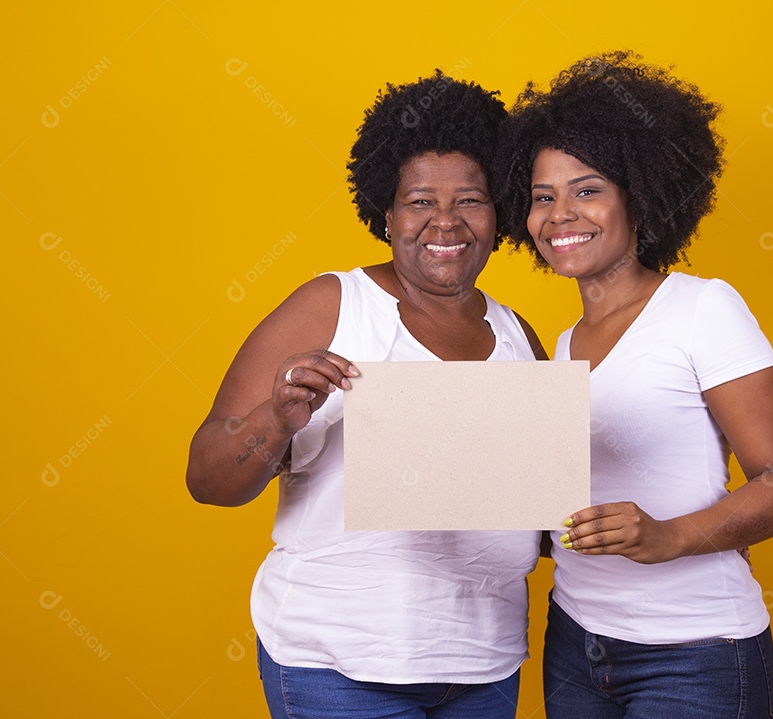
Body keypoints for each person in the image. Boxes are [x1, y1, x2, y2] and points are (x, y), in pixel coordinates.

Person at [186, 71, 547, 719]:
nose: (445, 221)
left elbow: (542, 514)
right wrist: (276, 419)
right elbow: (207, 479)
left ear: (500, 211)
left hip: (484, 665)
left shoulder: (518, 335)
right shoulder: (332, 305)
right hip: (338, 666)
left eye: (470, 200)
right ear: (386, 213)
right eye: (420, 200)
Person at [496, 51, 773, 718]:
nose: (560, 214)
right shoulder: (561, 346)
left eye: (587, 191)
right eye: (543, 197)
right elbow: (561, 515)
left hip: (695, 651)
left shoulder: (703, 308)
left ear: (638, 196)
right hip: (576, 643)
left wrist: (668, 536)